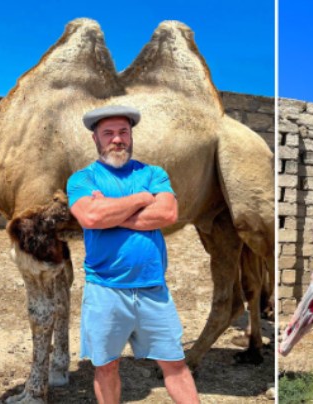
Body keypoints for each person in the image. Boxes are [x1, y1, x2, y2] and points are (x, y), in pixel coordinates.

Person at [67, 105, 199, 404]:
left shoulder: (153, 173)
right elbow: (89, 217)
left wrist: (109, 212)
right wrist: (140, 199)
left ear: (131, 136)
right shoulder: (82, 179)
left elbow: (168, 212)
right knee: (106, 366)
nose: (117, 139)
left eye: (123, 132)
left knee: (175, 364)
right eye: (109, 133)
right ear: (96, 140)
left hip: (153, 289)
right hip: (105, 290)